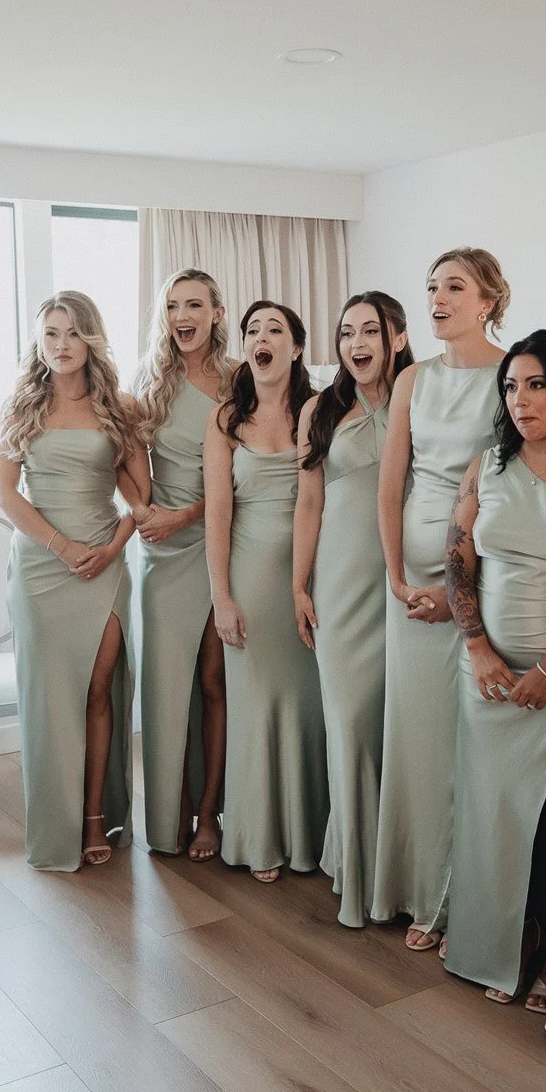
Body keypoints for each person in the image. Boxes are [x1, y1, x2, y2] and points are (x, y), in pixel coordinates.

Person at [442, 330, 546, 1008]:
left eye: (536, 384)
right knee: (488, 809)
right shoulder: (488, 463)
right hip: (486, 672)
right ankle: (492, 937)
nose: (521, 399)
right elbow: (457, 561)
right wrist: (475, 644)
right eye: (511, 385)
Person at [372, 248, 509, 947]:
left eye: (454, 286)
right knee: (418, 742)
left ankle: (465, 900)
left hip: (478, 585)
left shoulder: (510, 378)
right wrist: (398, 578)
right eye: (431, 286)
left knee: (469, 747)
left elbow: (511, 487)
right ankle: (416, 887)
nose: (437, 297)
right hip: (408, 591)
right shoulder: (413, 381)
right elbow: (391, 484)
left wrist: (458, 595)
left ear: (488, 300)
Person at [0, 291, 148, 871]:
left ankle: (92, 819)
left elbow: (141, 494)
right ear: (40, 342)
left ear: (92, 341)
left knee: (96, 692)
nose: (61, 345)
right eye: (51, 334)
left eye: (73, 334)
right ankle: (54, 824)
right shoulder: (20, 408)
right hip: (40, 568)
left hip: (104, 566)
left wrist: (112, 547)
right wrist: (61, 547)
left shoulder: (120, 407)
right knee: (50, 701)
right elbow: (6, 494)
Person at [293, 291, 412, 925]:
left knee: (399, 721)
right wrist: (298, 584)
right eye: (346, 333)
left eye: (370, 330)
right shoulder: (323, 406)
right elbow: (307, 502)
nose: (356, 343)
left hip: (403, 576)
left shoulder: (420, 396)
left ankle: (398, 871)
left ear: (397, 336)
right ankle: (357, 868)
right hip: (339, 577)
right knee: (351, 721)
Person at [206, 302, 326, 882]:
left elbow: (318, 499)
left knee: (308, 704)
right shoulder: (226, 419)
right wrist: (221, 597)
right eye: (253, 330)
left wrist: (307, 581)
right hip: (250, 575)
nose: (262, 338)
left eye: (275, 330)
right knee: (255, 706)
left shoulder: (319, 411)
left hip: (312, 575)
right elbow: (218, 517)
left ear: (296, 348)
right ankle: (259, 837)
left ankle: (311, 836)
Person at [131, 269, 238, 861]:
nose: (181, 316)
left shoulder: (237, 381)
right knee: (167, 687)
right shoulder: (150, 383)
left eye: (194, 304)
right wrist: (144, 509)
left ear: (217, 313)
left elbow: (244, 478)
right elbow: (127, 461)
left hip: (215, 540)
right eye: (172, 305)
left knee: (214, 681)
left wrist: (186, 516)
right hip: (161, 555)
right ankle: (168, 811)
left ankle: (210, 813)